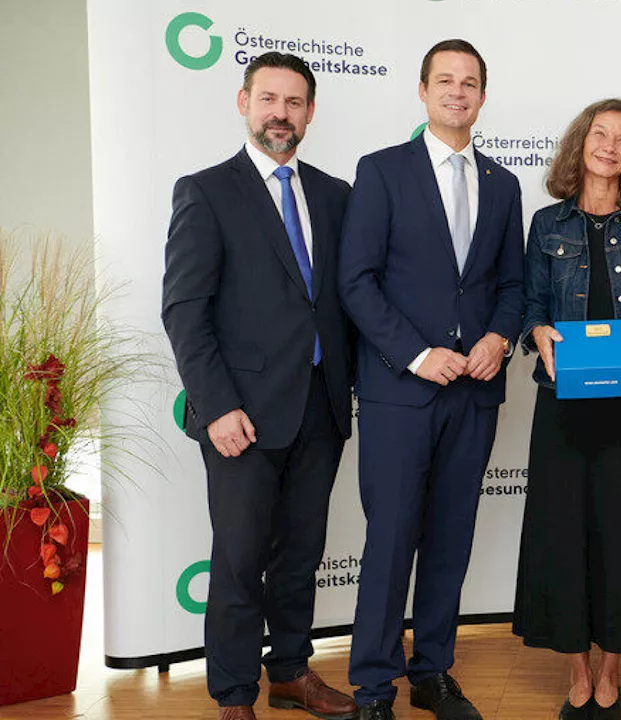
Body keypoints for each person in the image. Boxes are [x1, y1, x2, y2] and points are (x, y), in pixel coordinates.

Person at [161, 52, 356, 720]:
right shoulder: (207, 190)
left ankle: (292, 673)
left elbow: (341, 300)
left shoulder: (335, 195)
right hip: (240, 417)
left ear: (310, 111)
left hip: (320, 411)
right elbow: (185, 311)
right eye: (269, 99)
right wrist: (217, 407)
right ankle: (235, 695)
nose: (281, 113)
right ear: (243, 102)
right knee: (241, 562)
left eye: (295, 102)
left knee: (301, 555)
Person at [338, 39, 524, 720]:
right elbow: (356, 282)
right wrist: (418, 355)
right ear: (422, 92)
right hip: (400, 392)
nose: (456, 92)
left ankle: (433, 672)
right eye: (444, 81)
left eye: (469, 82)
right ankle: (374, 687)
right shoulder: (382, 172)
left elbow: (513, 284)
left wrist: (500, 337)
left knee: (451, 538)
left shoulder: (504, 185)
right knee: (390, 540)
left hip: (474, 394)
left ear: (481, 95)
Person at [513, 98, 621, 720]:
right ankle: (576, 672)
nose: (610, 147)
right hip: (562, 406)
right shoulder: (545, 224)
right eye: (600, 135)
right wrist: (539, 334)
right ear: (580, 143)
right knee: (565, 537)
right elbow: (530, 304)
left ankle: (611, 671)